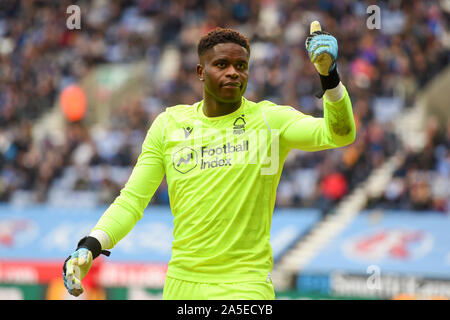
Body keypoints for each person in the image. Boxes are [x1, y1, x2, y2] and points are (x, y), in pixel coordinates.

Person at [63, 22, 356, 300]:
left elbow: (339, 134)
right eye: (222, 65)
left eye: (241, 66)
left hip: (245, 285)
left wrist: (329, 76)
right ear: (201, 72)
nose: (233, 73)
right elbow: (132, 201)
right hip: (182, 285)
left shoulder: (270, 120)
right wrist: (91, 244)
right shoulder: (169, 124)